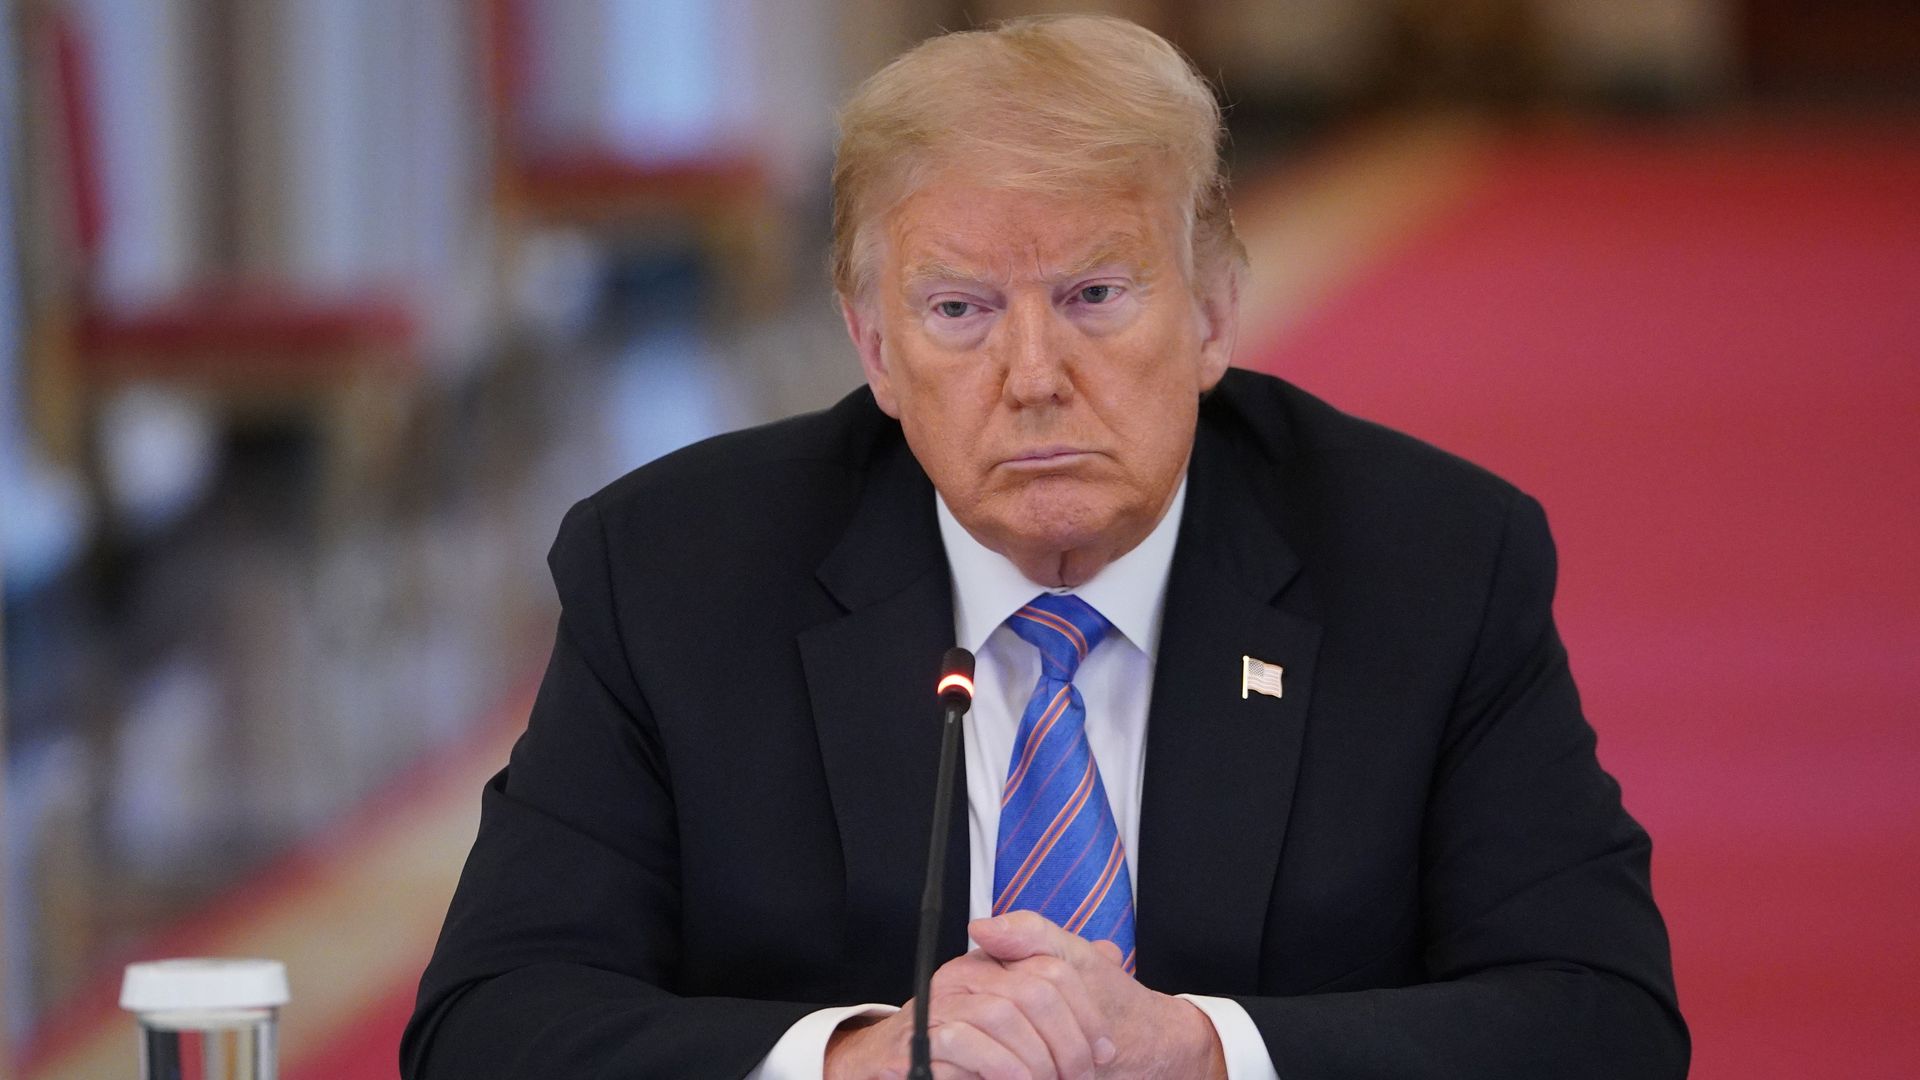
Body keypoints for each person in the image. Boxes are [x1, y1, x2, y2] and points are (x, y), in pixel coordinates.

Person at [403, 14, 1686, 1079]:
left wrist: (1203, 1053)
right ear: (873, 347)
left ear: (1214, 312)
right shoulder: (675, 572)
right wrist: (851, 1063)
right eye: (959, 310)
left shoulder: (1430, 562)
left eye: (1094, 296)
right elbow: (487, 1024)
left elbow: (1604, 1018)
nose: (1032, 376)